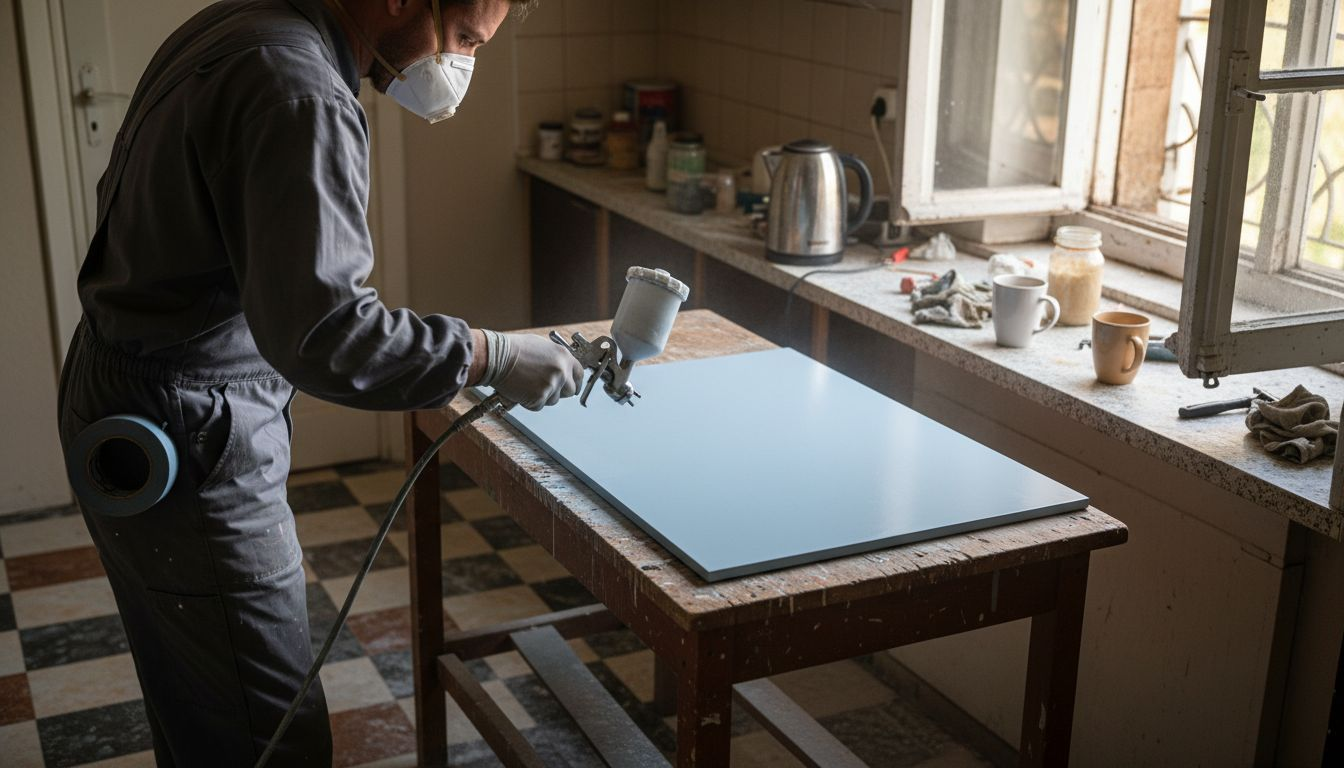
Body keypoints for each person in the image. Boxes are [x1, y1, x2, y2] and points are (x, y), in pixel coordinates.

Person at [55, 0, 576, 764]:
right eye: (464, 37)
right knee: (266, 737)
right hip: (183, 428)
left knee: (198, 705)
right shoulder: (298, 89)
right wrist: (489, 354)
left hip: (127, 387)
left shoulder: (244, 24)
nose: (465, 62)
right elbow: (326, 333)